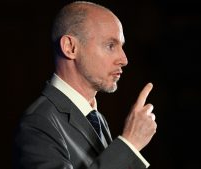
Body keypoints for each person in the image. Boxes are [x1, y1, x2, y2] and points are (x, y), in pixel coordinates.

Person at [13, 1, 157, 169]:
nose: (124, 60)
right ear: (70, 47)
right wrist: (129, 144)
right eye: (110, 45)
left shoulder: (96, 118)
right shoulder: (38, 122)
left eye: (121, 46)